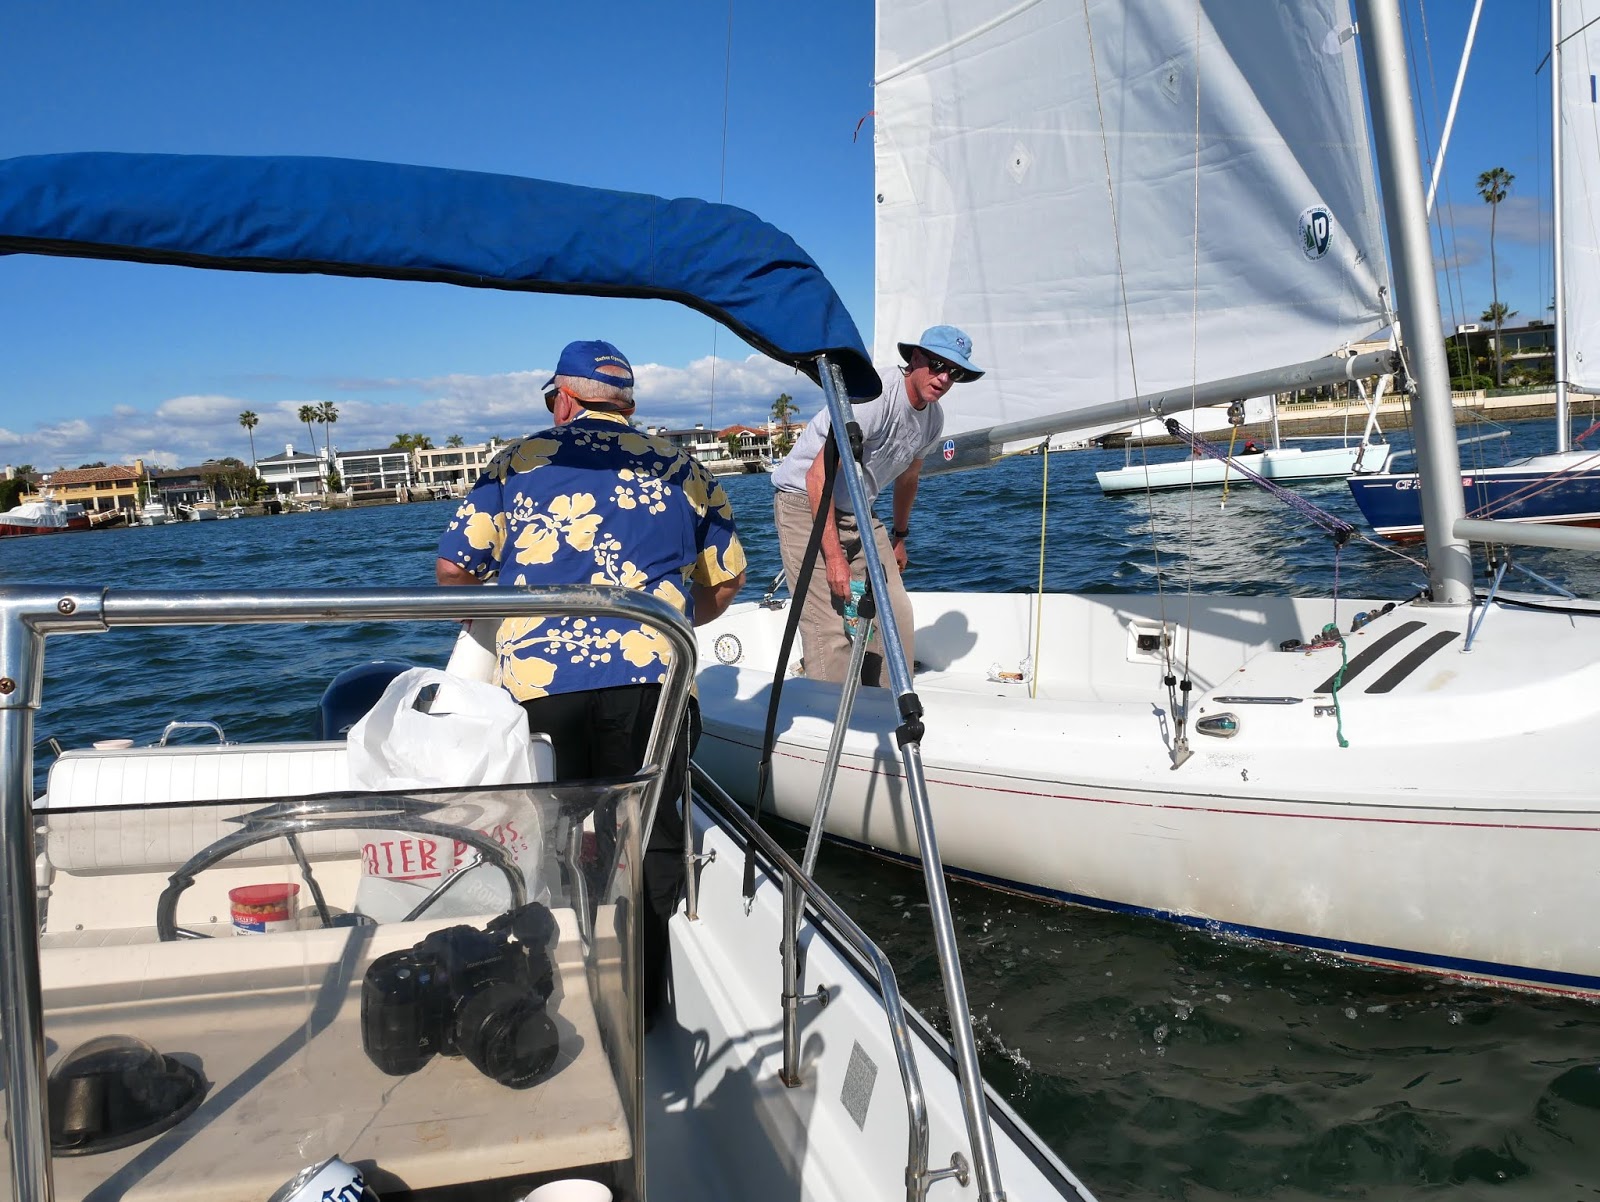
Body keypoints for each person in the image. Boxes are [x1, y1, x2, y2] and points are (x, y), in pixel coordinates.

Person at [435, 338, 747, 1023]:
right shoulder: (682, 467)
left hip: (546, 684)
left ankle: (555, 992)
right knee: (645, 832)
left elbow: (455, 570)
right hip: (655, 680)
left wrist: (501, 614)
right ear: (625, 404)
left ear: (566, 400)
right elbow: (726, 579)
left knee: (552, 830)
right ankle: (643, 1007)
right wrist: (661, 620)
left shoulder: (517, 463)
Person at [770, 325, 983, 686]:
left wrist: (900, 537)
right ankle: (830, 709)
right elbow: (817, 478)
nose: (945, 378)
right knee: (829, 627)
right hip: (804, 503)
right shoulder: (875, 397)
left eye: (955, 372)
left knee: (895, 612)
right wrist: (835, 558)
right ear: (915, 358)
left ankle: (886, 704)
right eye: (937, 365)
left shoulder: (933, 420)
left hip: (857, 509)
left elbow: (908, 479)